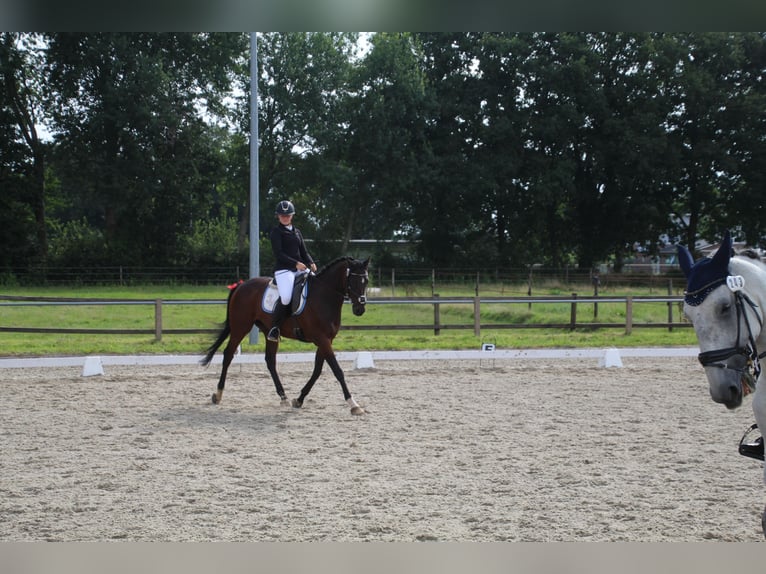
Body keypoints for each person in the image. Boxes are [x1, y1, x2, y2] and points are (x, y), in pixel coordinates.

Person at [267, 200, 317, 341]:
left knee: (316, 284)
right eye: (283, 215)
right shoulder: (276, 232)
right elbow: (279, 254)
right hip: (284, 270)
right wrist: (296, 264)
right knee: (287, 297)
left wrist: (310, 261)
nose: (285, 217)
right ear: (278, 216)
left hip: (299, 268)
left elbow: (303, 251)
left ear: (292, 216)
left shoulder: (297, 232)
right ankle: (275, 328)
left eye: (288, 215)